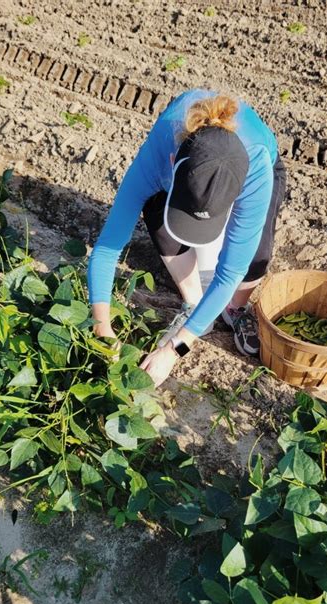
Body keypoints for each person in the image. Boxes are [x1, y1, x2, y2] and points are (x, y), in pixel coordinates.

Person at [87, 89, 287, 387]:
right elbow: (106, 249)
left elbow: (229, 272)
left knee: (255, 258)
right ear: (172, 161)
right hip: (182, 164)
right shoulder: (158, 154)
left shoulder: (255, 167)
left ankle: (235, 309)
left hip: (258, 165)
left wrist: (174, 349)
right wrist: (102, 328)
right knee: (156, 210)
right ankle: (194, 302)